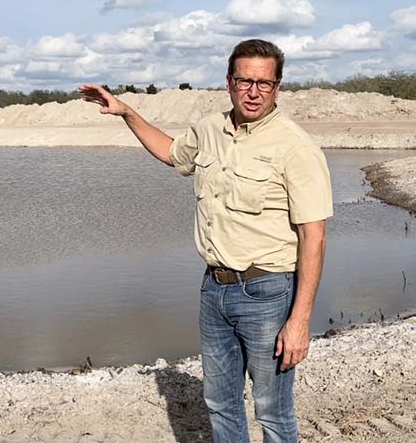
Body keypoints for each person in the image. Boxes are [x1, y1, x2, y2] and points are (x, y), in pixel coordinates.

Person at [79, 39, 331, 443]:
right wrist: (127, 112)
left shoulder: (295, 146)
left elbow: (313, 237)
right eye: (245, 80)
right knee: (220, 403)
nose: (253, 91)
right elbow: (171, 152)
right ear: (229, 82)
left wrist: (299, 322)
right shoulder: (210, 129)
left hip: (268, 292)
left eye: (264, 83)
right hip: (213, 289)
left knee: (273, 410)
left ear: (278, 87)